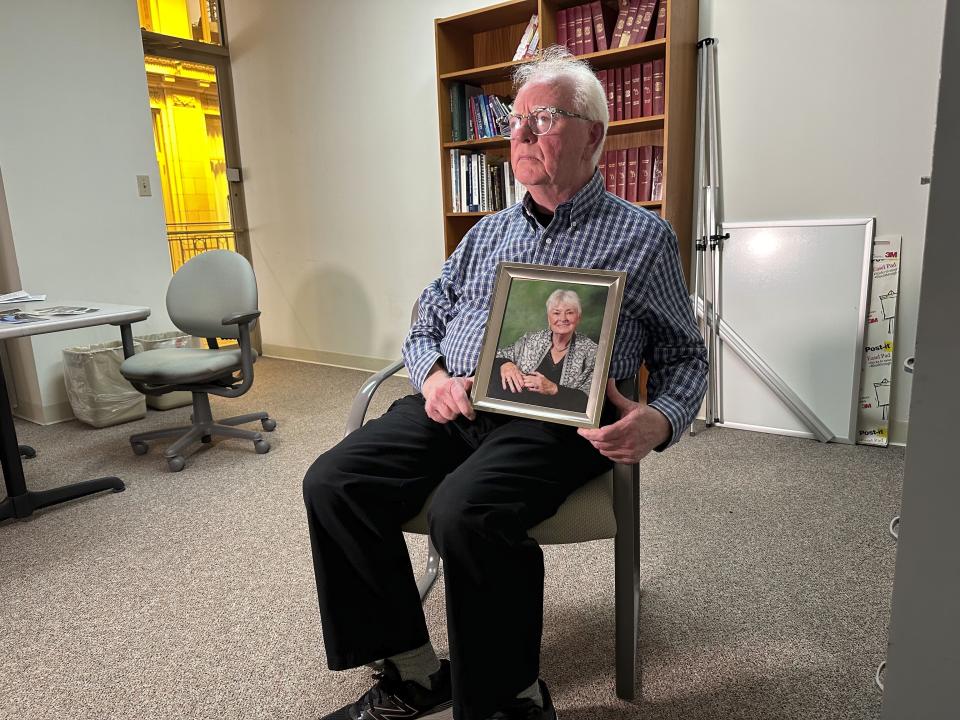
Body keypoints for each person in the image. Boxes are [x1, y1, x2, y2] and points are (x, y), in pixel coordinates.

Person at [303, 46, 707, 720]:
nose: (518, 135)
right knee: (334, 482)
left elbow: (684, 355)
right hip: (451, 405)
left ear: (593, 135)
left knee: (467, 512)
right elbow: (426, 318)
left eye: (542, 119)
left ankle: (508, 698)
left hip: (552, 423)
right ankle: (411, 671)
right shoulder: (485, 233)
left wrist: (660, 419)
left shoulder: (643, 238)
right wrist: (430, 376)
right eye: (515, 121)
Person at [490, 289, 597, 412]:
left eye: (570, 313)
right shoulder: (531, 339)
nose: (563, 318)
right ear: (549, 318)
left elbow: (591, 401)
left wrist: (553, 389)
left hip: (554, 421)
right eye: (556, 313)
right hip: (514, 407)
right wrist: (506, 364)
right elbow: (498, 356)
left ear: (578, 318)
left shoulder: (592, 352)